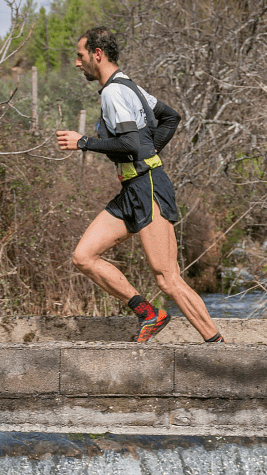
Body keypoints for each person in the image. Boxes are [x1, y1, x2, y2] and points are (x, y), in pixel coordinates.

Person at [56, 26, 224, 343]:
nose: (78, 64)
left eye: (80, 56)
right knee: (84, 256)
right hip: (133, 188)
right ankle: (149, 314)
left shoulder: (113, 93)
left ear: (97, 54)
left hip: (148, 188)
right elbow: (170, 118)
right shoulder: (129, 87)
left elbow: (132, 144)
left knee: (167, 278)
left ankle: (216, 344)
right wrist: (148, 152)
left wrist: (84, 143)